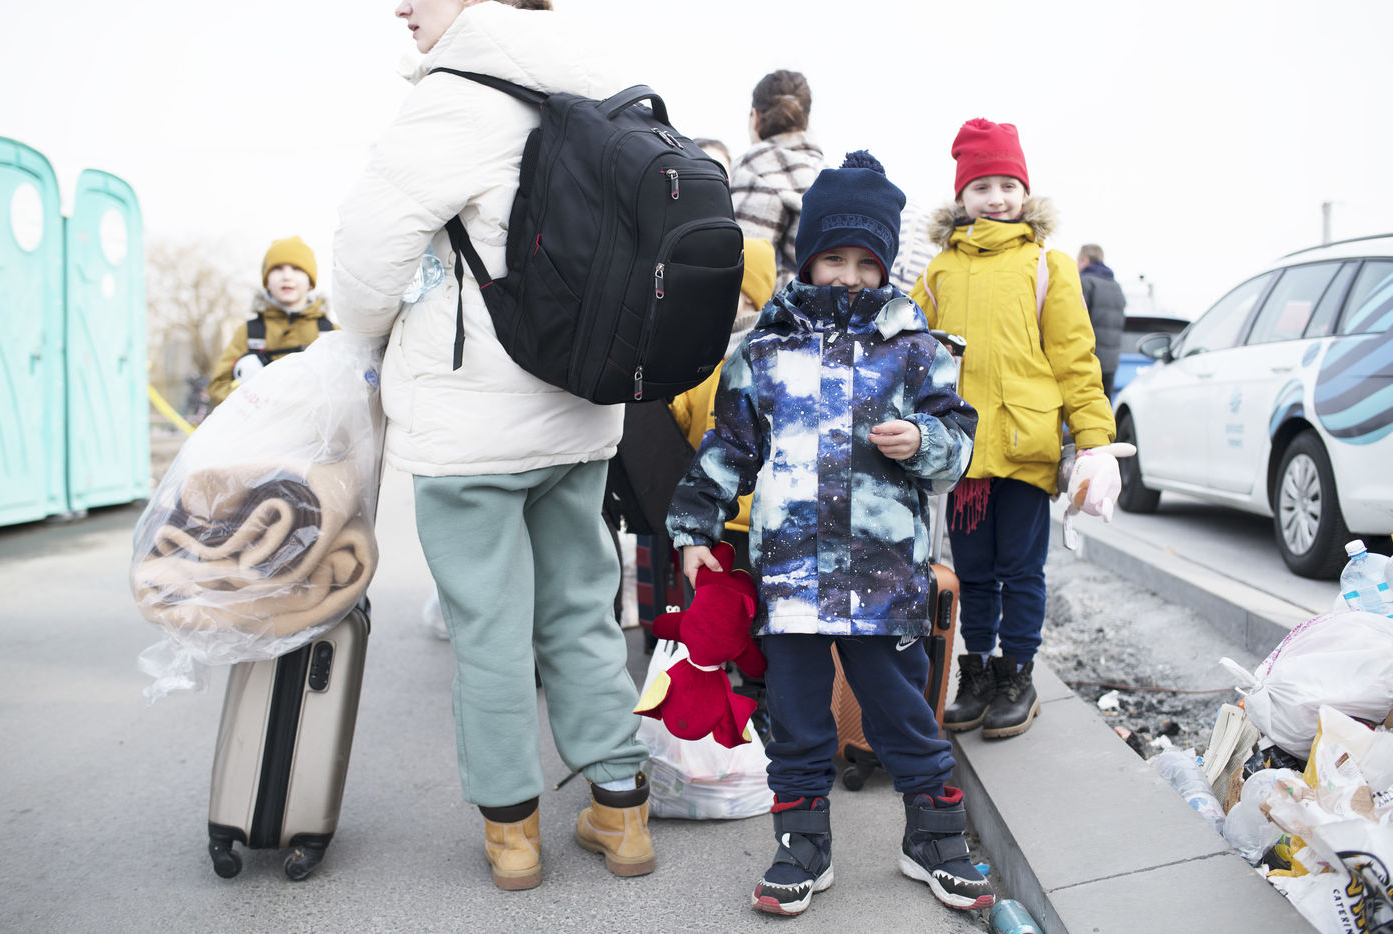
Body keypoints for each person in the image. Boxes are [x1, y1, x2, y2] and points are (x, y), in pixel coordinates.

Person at [331, 0, 652, 892]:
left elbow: (363, 271)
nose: (401, 6)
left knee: (490, 630)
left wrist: (373, 329)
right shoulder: (599, 84)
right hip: (581, 410)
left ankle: (514, 834)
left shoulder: (455, 95)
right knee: (582, 614)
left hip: (471, 425)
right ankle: (621, 813)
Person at [668, 152, 990, 917]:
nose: (849, 276)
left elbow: (958, 446)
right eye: (834, 259)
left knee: (900, 711)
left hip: (884, 576)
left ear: (886, 266)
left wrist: (923, 439)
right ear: (807, 257)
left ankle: (934, 839)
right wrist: (695, 525)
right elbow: (729, 447)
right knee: (797, 715)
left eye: (866, 262)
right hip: (792, 575)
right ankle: (802, 844)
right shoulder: (763, 351)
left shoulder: (917, 350)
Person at [910, 119, 1116, 740]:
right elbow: (912, 352)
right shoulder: (939, 272)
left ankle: (1017, 675)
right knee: (973, 571)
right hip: (965, 455)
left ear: (1025, 191)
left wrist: (1094, 441)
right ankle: (976, 673)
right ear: (961, 197)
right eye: (982, 187)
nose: (996, 198)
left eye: (1007, 185)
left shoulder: (1048, 266)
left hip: (1026, 447)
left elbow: (1075, 359)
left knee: (1021, 569)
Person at [667, 235, 775, 734]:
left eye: (739, 293)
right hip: (719, 517)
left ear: (759, 296)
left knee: (759, 620)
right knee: (719, 616)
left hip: (760, 518)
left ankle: (762, 698)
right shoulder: (700, 353)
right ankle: (731, 700)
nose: (727, 303)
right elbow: (682, 416)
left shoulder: (766, 353)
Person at [207, 236, 333, 407]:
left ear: (310, 282)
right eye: (278, 269)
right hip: (260, 421)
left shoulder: (330, 333)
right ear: (266, 282)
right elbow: (218, 388)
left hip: (316, 422)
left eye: (297, 269)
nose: (287, 276)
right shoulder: (249, 332)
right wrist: (251, 398)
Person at [728, 70, 824, 288]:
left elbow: (741, 262)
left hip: (781, 305)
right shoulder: (823, 171)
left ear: (755, 117)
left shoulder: (758, 164)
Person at [1077, 243, 1127, 397]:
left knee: (1085, 404)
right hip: (1111, 362)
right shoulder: (1115, 285)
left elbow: (1076, 320)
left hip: (1089, 360)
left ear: (1085, 260)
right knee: (1104, 404)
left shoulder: (1086, 282)